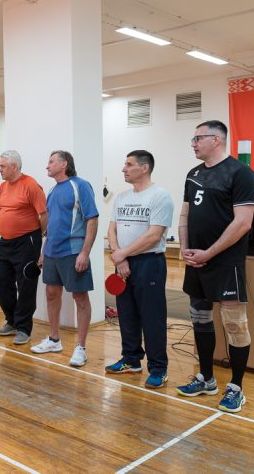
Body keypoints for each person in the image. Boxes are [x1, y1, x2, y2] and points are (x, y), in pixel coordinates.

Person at [176, 120, 254, 413]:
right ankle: (206, 378)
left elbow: (243, 222)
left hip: (225, 262)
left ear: (216, 140)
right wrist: (185, 248)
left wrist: (208, 252)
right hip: (196, 260)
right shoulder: (193, 174)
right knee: (200, 317)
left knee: (235, 324)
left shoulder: (240, 173)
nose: (193, 143)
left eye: (197, 138)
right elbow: (185, 216)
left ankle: (236, 387)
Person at [105, 150, 174, 388]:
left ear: (144, 168)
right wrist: (120, 258)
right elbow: (112, 230)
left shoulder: (160, 196)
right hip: (123, 263)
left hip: (149, 263)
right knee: (126, 314)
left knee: (152, 317)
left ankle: (159, 368)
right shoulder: (121, 197)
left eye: (129, 164)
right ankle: (131, 359)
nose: (123, 169)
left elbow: (154, 235)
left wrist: (122, 254)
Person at [30, 150, 98, 367]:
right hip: (52, 252)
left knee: (80, 297)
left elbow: (92, 220)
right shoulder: (52, 190)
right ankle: (54, 340)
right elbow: (51, 224)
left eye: (51, 162)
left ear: (64, 164)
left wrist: (85, 252)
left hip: (73, 251)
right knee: (51, 294)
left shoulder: (81, 186)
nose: (47, 166)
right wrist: (43, 250)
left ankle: (81, 348)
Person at [0, 150, 46, 346]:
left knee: (26, 286)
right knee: (3, 283)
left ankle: (23, 328)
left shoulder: (31, 185)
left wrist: (39, 237)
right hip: (5, 242)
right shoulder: (3, 186)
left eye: (2, 166)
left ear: (14, 167)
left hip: (27, 242)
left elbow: (43, 215)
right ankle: (11, 321)